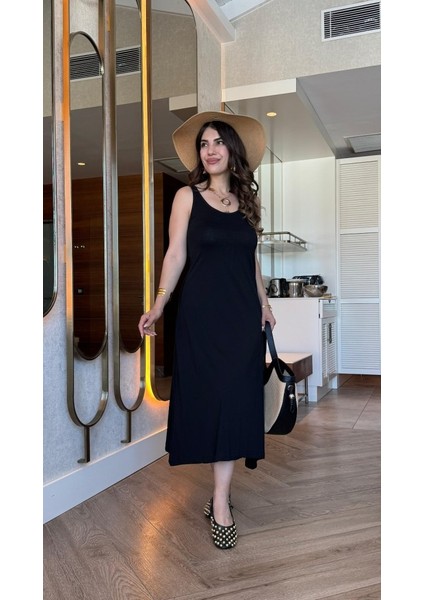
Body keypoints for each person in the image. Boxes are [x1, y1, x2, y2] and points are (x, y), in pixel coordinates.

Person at [138, 111, 276, 549]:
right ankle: (219, 496)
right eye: (204, 144)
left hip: (241, 320)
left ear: (232, 150)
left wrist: (265, 304)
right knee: (213, 400)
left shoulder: (245, 204)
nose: (210, 150)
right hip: (201, 318)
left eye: (217, 142)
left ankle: (220, 499)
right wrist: (159, 303)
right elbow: (175, 255)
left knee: (236, 401)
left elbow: (251, 261)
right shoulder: (187, 197)